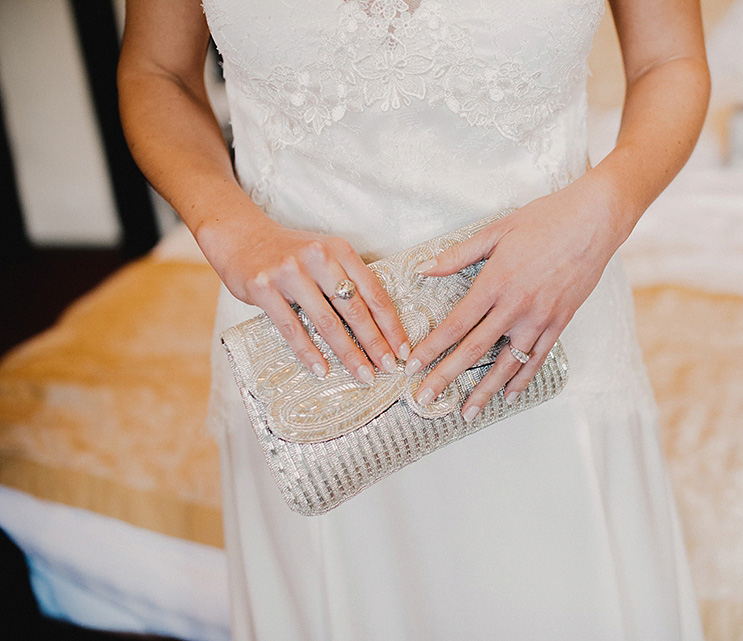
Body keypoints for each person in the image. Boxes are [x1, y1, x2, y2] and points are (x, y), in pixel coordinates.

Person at [118, 0, 710, 638]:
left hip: (543, 335)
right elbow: (158, 72)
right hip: (306, 362)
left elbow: (669, 60)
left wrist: (606, 207)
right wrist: (228, 229)